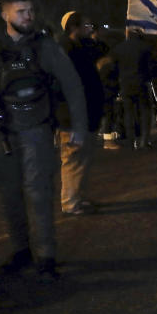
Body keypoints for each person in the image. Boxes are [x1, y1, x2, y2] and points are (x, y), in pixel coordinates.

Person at [0, 0, 88, 283]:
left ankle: (45, 257)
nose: (27, 16)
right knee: (9, 194)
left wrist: (78, 127)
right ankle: (21, 251)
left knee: (39, 193)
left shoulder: (45, 46)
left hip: (36, 128)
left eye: (30, 11)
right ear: (5, 15)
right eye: (20, 11)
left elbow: (72, 85)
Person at [56, 11, 106, 215]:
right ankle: (70, 202)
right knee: (73, 159)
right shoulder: (65, 50)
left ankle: (79, 196)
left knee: (84, 160)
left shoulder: (81, 47)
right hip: (73, 116)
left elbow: (102, 50)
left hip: (87, 114)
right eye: (85, 25)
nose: (90, 29)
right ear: (73, 28)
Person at [111, 28, 157, 150]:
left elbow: (114, 69)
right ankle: (144, 140)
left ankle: (131, 141)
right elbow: (151, 67)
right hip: (142, 83)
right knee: (145, 111)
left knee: (128, 113)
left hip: (125, 85)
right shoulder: (145, 48)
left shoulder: (118, 49)